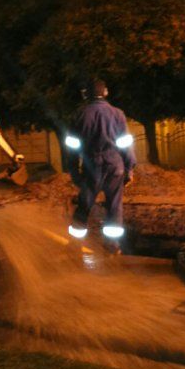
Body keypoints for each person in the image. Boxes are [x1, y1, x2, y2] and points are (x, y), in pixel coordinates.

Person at [66, 79, 136, 253]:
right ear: (105, 92)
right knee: (114, 207)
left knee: (85, 204)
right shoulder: (118, 114)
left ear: (86, 94)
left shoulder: (79, 115)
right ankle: (112, 246)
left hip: (92, 167)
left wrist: (74, 172)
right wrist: (129, 168)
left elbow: (73, 148)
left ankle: (75, 245)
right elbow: (125, 143)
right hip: (115, 166)